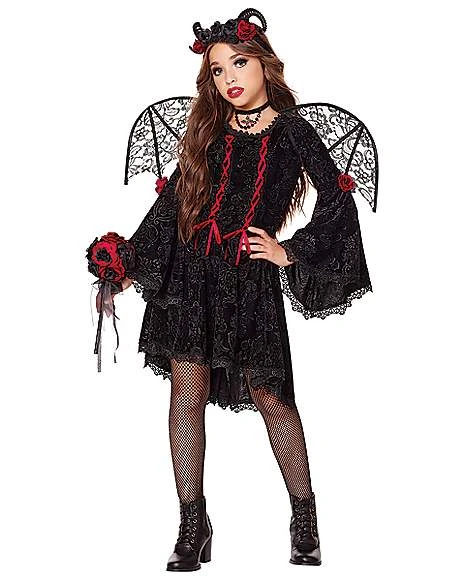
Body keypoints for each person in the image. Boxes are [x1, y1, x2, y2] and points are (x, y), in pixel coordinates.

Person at [98, 7, 374, 572]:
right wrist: (126, 264)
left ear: (264, 64)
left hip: (248, 279)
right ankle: (192, 523)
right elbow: (171, 206)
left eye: (239, 63)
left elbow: (337, 203)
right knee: (186, 396)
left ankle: (304, 518)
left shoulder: (294, 131)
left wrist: (289, 250)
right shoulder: (207, 129)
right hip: (191, 275)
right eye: (218, 70)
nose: (229, 78)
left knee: (273, 398)